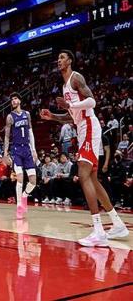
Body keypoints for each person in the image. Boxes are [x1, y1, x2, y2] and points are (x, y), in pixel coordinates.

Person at [40, 50, 128, 246]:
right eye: (58, 58)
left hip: (89, 126)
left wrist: (70, 105)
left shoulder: (76, 77)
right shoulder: (64, 87)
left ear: (70, 61)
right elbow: (71, 116)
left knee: (83, 173)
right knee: (93, 179)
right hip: (82, 128)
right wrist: (52, 116)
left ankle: (98, 230)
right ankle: (117, 223)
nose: (59, 60)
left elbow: (92, 101)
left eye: (62, 57)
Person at [4, 92, 38, 219]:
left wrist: (34, 150)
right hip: (16, 150)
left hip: (27, 149)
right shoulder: (10, 117)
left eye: (15, 98)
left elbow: (31, 132)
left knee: (33, 181)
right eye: (12, 99)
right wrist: (5, 152)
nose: (13, 101)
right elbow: (7, 136)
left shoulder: (27, 114)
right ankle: (19, 206)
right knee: (20, 178)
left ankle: (24, 196)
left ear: (20, 100)